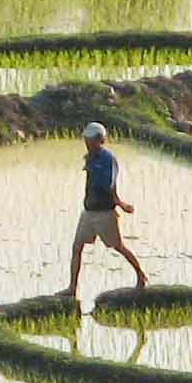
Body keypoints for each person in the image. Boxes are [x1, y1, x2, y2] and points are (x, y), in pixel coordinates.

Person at [61, 122, 147, 296]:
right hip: (88, 211)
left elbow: (110, 186)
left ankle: (141, 275)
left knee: (118, 246)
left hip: (104, 213)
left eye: (90, 140)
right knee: (77, 246)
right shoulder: (89, 157)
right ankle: (72, 288)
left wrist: (119, 204)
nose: (87, 143)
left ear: (100, 140)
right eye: (86, 139)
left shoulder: (108, 160)